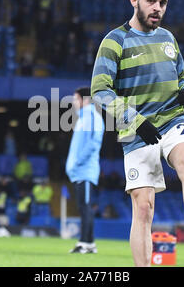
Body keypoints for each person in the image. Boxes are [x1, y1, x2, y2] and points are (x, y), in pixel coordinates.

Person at [90, 0, 184, 266]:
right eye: (151, 1)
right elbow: (100, 91)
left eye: (163, 3)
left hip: (172, 118)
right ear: (134, 1)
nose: (157, 7)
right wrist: (133, 119)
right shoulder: (114, 41)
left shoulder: (168, 38)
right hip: (136, 130)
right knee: (143, 207)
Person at [66, 87, 105, 254]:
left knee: (85, 206)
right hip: (79, 171)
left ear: (85, 100)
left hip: (85, 170)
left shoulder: (92, 118)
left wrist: (78, 162)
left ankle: (86, 242)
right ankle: (88, 243)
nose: (74, 102)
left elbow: (94, 143)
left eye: (76, 99)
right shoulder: (83, 118)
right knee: (83, 206)